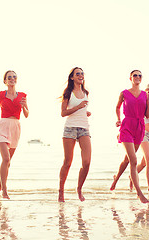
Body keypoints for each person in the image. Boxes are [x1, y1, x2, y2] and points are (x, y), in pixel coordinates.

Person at [0, 70, 29, 199]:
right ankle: (5, 190)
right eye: (9, 77)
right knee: (6, 158)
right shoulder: (0, 95)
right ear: (5, 81)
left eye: (14, 77)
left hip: (15, 128)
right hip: (1, 128)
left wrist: (24, 106)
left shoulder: (23, 95)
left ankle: (0, 180)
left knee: (8, 162)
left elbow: (26, 114)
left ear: (16, 80)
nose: (12, 79)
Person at [111, 70, 149, 204]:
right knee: (134, 160)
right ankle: (139, 193)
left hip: (139, 128)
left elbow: (147, 115)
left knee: (128, 160)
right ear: (130, 78)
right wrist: (118, 119)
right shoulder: (124, 93)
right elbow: (117, 107)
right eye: (135, 75)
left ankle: (115, 179)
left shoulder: (145, 95)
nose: (138, 77)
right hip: (127, 126)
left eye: (140, 75)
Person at [58, 67, 91, 202]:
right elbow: (63, 113)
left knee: (87, 162)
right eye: (78, 74)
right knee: (67, 162)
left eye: (82, 73)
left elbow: (82, 108)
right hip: (70, 128)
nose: (81, 75)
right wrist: (78, 107)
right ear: (72, 77)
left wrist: (85, 112)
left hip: (84, 128)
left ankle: (79, 188)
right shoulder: (68, 92)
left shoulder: (85, 92)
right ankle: (61, 191)